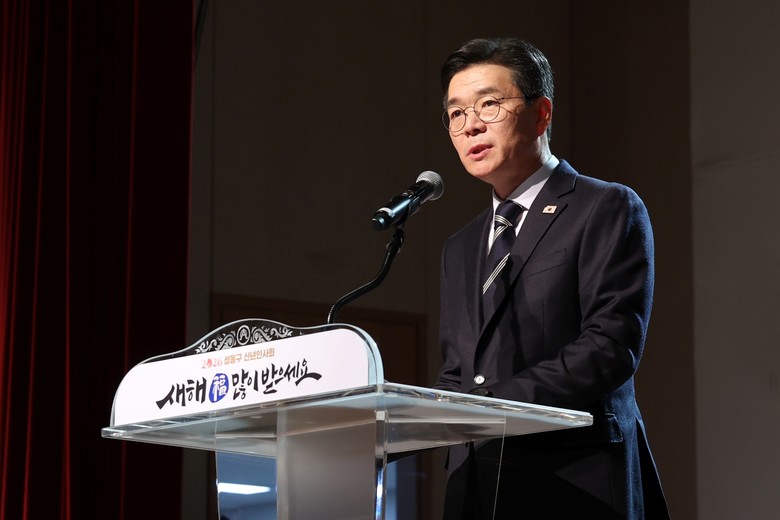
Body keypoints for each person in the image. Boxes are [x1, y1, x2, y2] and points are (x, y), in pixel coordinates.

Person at [433, 37, 670, 519]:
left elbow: (609, 347)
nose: (470, 124)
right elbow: (457, 370)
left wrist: (490, 406)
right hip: (477, 484)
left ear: (542, 113)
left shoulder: (603, 206)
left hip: (574, 479)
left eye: (489, 104)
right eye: (456, 113)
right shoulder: (460, 246)